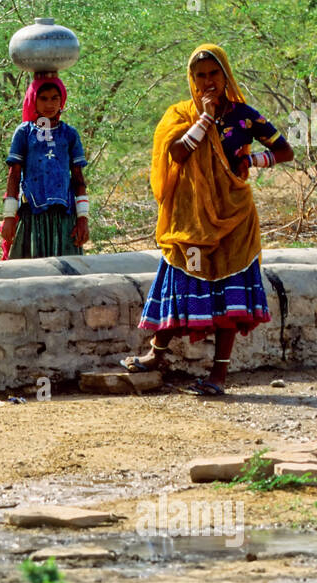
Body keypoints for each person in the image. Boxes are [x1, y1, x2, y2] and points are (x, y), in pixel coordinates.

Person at [121, 44, 294, 395]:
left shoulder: (244, 116)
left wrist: (255, 162)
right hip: (191, 220)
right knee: (179, 279)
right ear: (192, 79)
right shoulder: (180, 115)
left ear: (225, 74)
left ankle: (219, 376)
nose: (207, 81)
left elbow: (284, 150)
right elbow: (177, 153)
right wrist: (205, 118)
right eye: (200, 75)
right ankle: (156, 355)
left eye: (214, 74)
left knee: (230, 293)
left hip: (234, 218)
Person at [1, 77, 90, 258]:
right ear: (34, 100)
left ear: (61, 101)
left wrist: (83, 219)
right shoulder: (25, 132)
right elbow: (14, 175)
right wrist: (9, 216)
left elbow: (79, 179)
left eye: (54, 98)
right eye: (43, 98)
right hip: (32, 215)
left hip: (63, 216)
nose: (49, 104)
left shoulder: (69, 134)